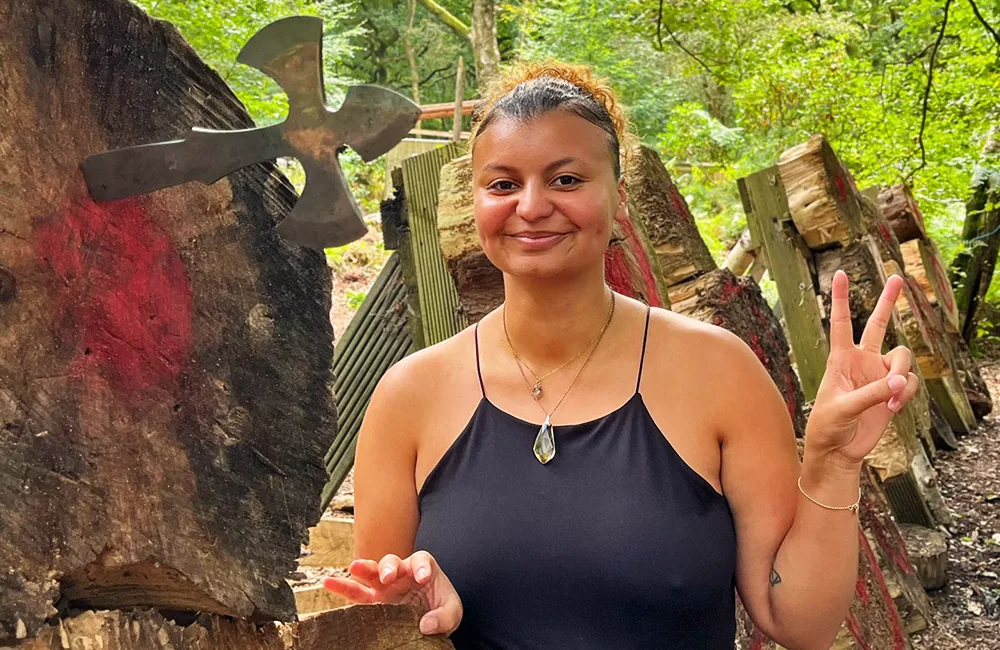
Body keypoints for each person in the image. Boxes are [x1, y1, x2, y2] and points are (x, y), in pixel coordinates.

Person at [323, 62, 919, 649]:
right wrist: (410, 612)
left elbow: (800, 623)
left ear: (620, 198)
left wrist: (833, 465)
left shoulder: (718, 372)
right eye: (503, 184)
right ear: (476, 203)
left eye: (566, 179)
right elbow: (382, 613)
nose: (531, 206)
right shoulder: (409, 395)